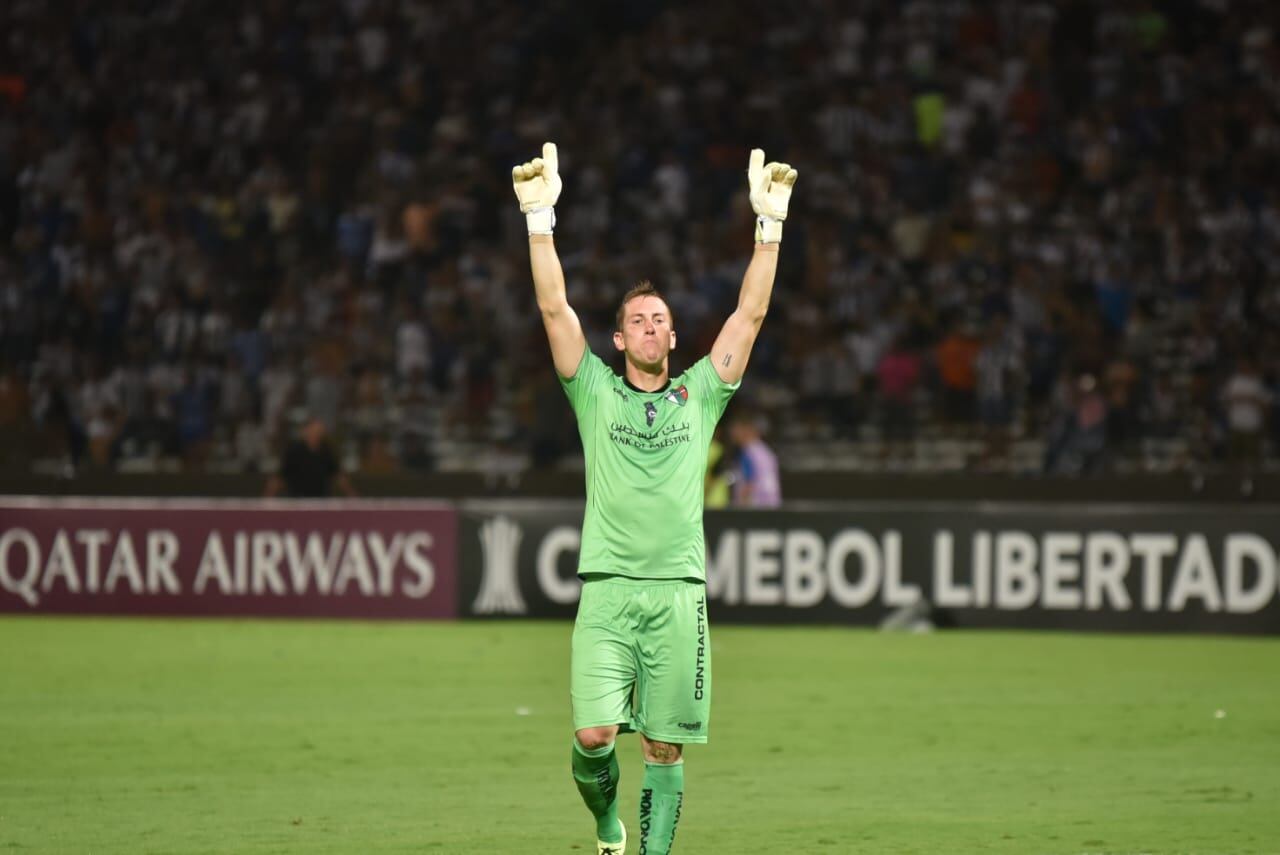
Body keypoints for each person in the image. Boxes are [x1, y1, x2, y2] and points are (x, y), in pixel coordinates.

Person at [514, 142, 796, 854]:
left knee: (665, 751)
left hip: (677, 593)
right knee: (592, 737)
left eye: (660, 318)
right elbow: (553, 307)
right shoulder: (594, 391)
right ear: (617, 337)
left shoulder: (699, 393)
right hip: (607, 592)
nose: (650, 326)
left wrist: (769, 231)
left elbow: (750, 316)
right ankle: (607, 824)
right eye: (637, 319)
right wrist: (540, 218)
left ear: (673, 333)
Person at [264, 416, 358, 498]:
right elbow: (280, 476)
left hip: (321, 500)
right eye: (313, 430)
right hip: (297, 499)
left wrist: (352, 495)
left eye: (318, 430)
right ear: (306, 431)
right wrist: (267, 498)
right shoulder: (294, 451)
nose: (316, 433)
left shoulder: (326, 451)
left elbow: (338, 475)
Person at [728, 412, 782, 508]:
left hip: (755, 508)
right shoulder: (766, 451)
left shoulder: (748, 452)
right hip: (772, 506)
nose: (732, 433)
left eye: (736, 429)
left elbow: (748, 485)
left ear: (747, 429)